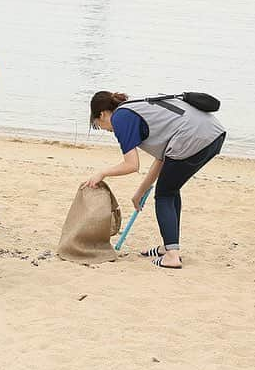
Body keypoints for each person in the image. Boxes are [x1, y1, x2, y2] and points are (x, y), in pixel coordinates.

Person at [83, 91, 226, 269]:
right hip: (214, 135)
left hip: (194, 136)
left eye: (101, 125)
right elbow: (162, 159)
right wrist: (140, 192)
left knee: (165, 194)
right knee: (170, 190)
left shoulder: (121, 118)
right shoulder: (136, 107)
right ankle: (169, 247)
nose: (109, 130)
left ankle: (172, 256)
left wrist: (102, 173)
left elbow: (132, 165)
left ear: (103, 113)